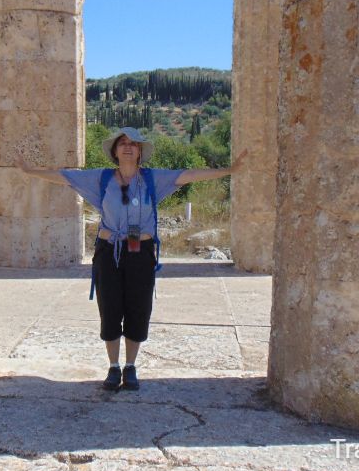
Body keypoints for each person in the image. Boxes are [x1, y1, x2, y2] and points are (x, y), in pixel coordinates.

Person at [16, 127, 247, 391]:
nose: (128, 147)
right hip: (109, 251)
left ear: (140, 152)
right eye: (122, 143)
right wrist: (29, 170)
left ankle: (131, 366)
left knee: (138, 308)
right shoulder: (101, 179)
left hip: (140, 252)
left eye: (133, 144)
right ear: (115, 151)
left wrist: (230, 170)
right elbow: (64, 177)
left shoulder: (152, 179)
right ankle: (113, 367)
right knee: (110, 308)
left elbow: (190, 174)